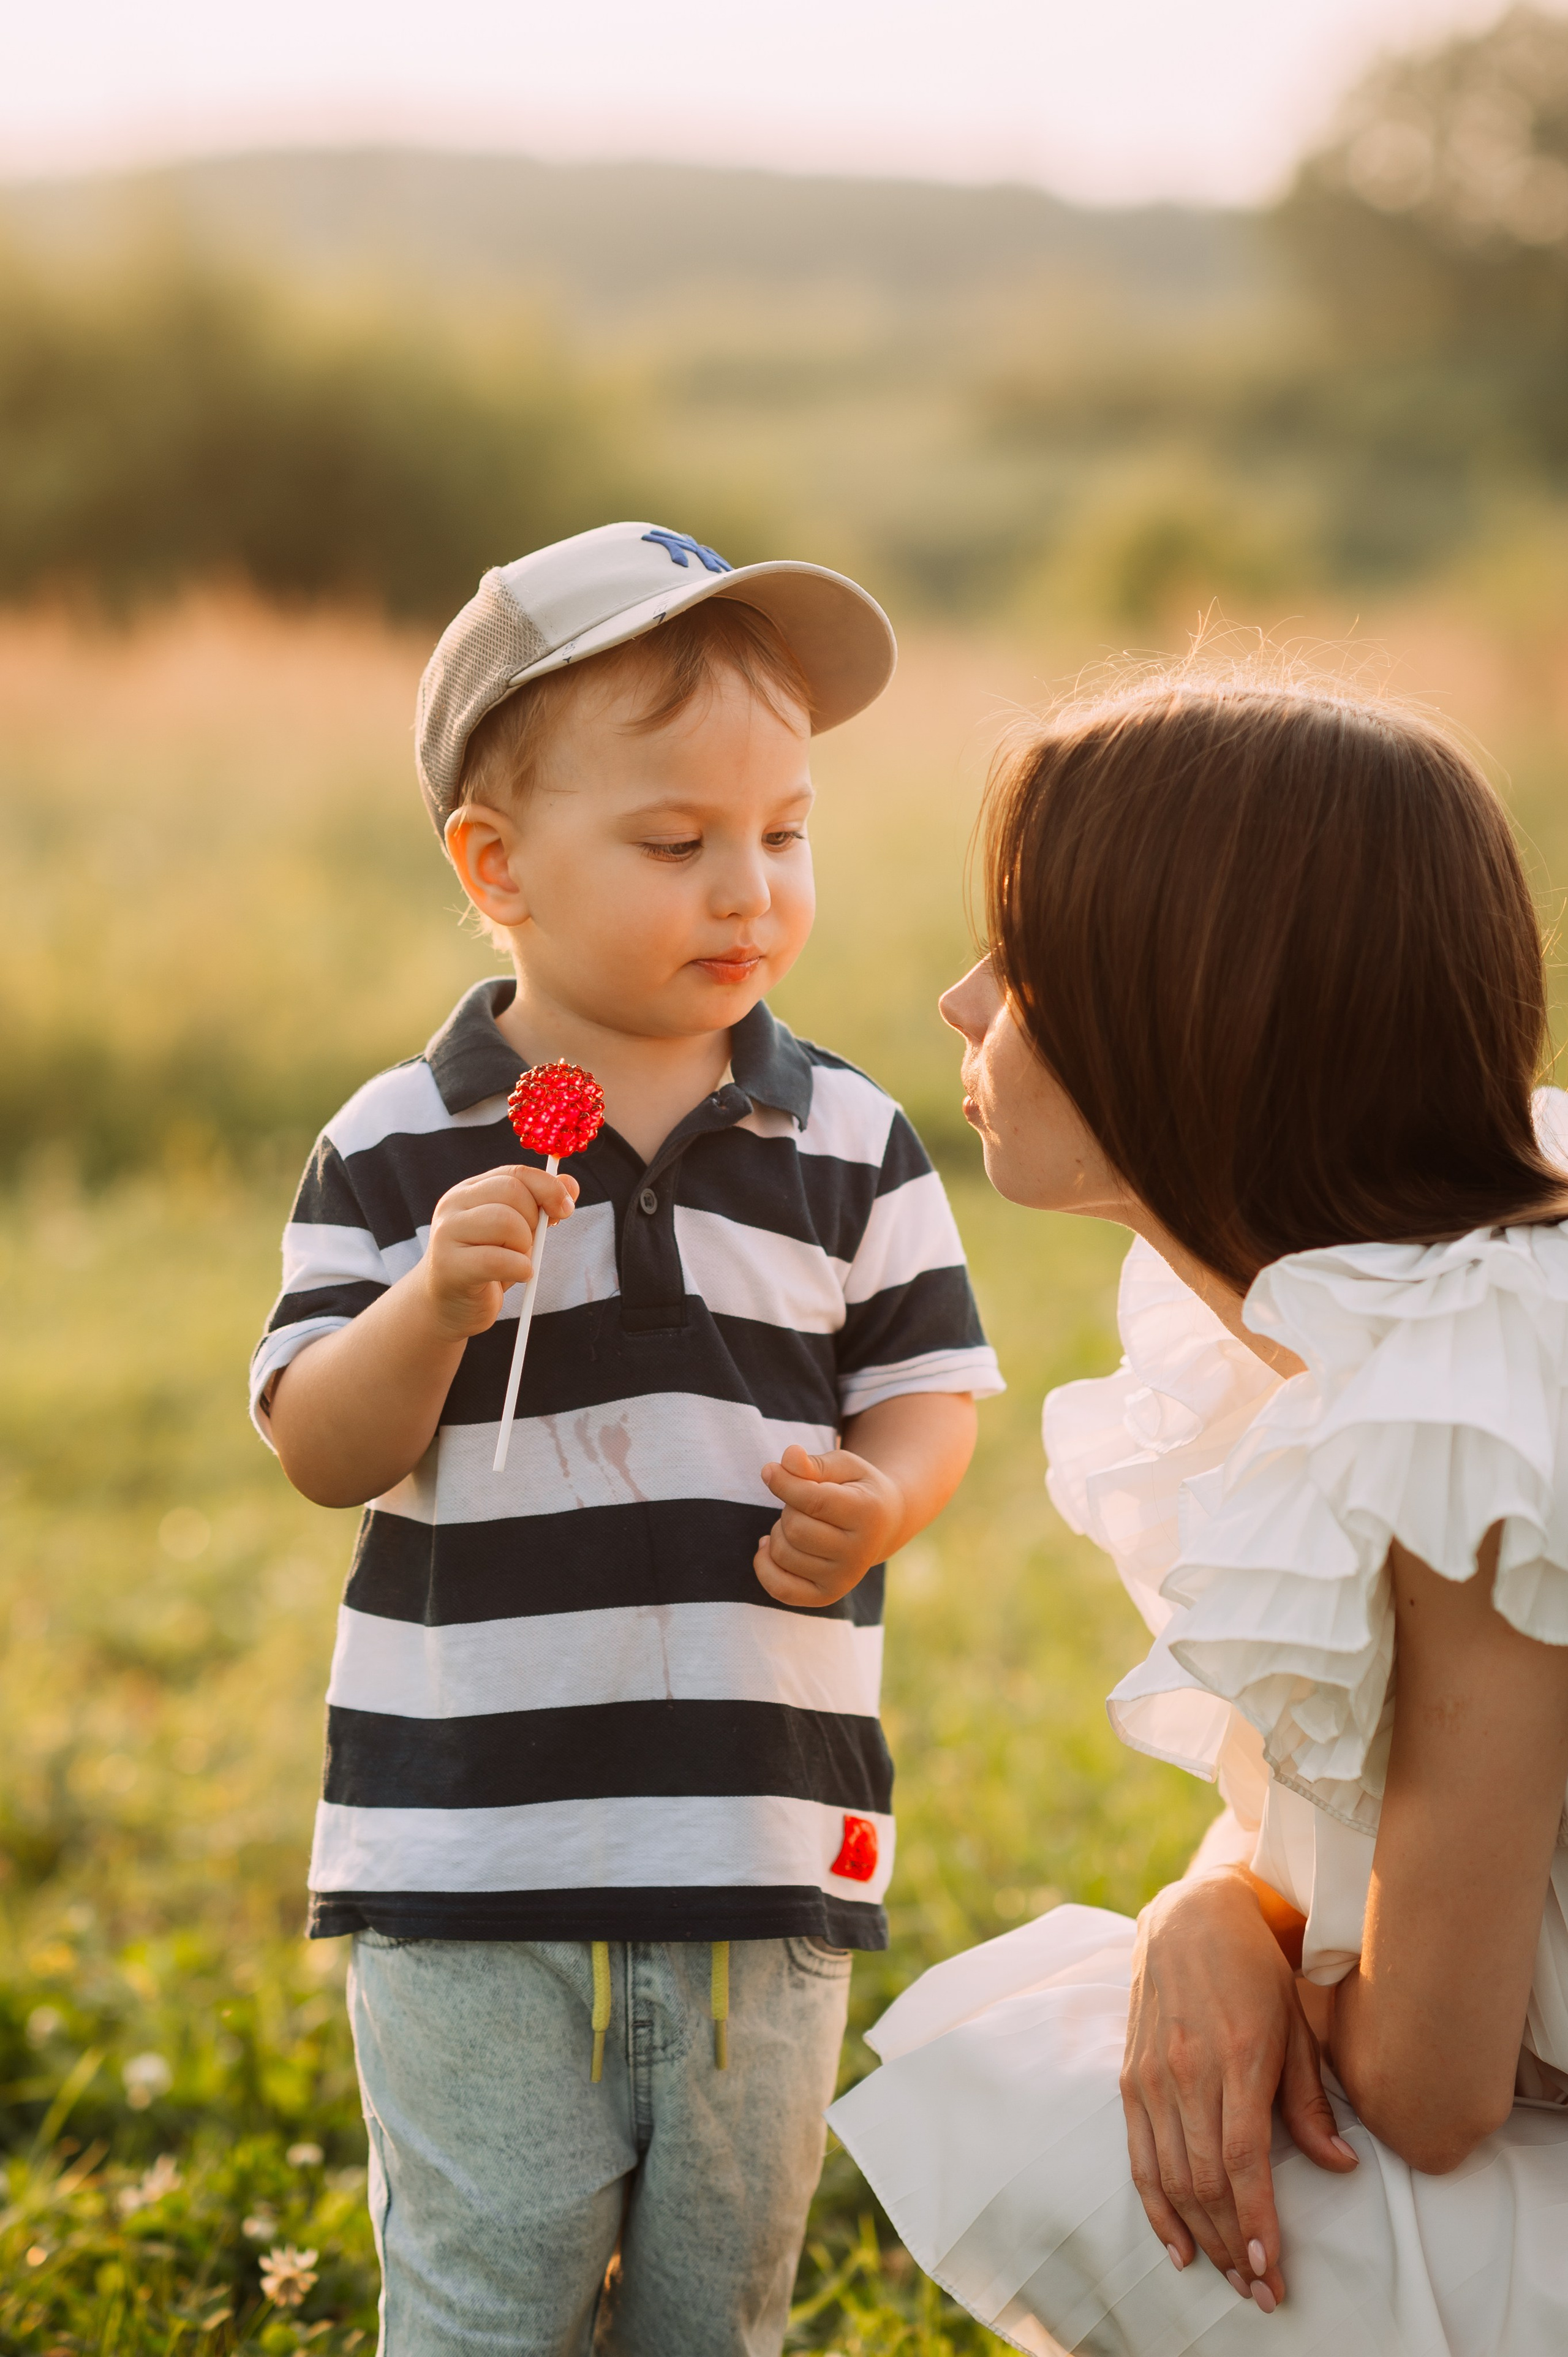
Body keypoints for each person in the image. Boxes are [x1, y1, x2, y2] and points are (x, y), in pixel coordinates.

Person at [249, 521, 1003, 2356]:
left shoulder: (848, 1140)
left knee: (716, 2312)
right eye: (678, 845)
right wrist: (429, 1307)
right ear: (496, 869)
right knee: (485, 2297)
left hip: (765, 1846)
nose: (748, 889)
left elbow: (933, 1388)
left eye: (785, 832)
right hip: (474, 1861)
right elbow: (316, 1444)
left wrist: (881, 1499)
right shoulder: (395, 1144)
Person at [828, 667, 1568, 2356]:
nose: (958, 1000)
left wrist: (1228, 1944)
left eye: (1022, 961)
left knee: (1101, 2118)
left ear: (1194, 1006)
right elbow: (1352, 1833)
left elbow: (1428, 2090)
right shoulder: (1357, 1318)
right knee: (1135, 2043)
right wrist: (1206, 1906)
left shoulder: (1486, 1380)